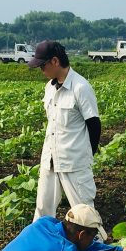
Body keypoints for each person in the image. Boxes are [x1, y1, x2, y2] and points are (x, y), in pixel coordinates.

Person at [27, 40, 101, 220]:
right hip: (50, 159)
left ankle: (94, 246)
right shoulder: (49, 88)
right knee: (43, 210)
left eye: (42, 65)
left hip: (74, 162)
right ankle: (43, 247)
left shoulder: (80, 87)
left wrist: (85, 155)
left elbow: (94, 125)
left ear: (55, 61)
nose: (41, 70)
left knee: (84, 213)